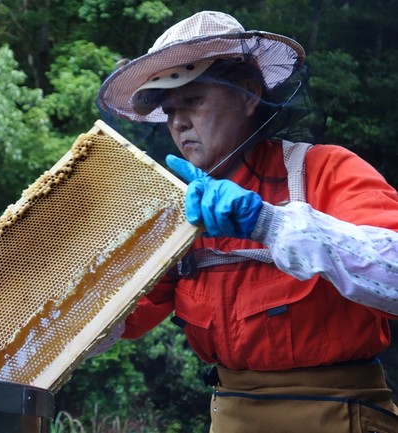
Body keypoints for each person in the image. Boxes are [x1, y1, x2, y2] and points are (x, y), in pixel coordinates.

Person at [96, 10, 398, 432]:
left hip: (340, 414)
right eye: (169, 110)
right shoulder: (178, 211)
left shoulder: (326, 169)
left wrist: (268, 224)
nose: (179, 122)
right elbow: (117, 321)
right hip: (232, 416)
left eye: (193, 101)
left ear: (248, 94)